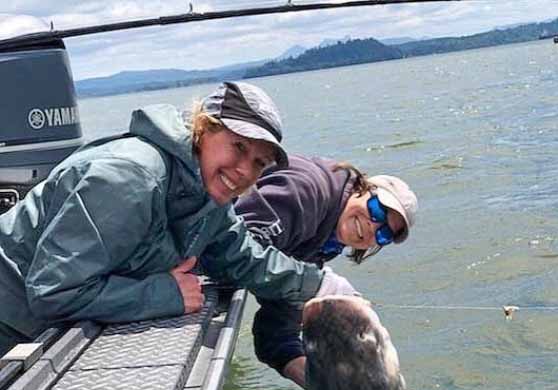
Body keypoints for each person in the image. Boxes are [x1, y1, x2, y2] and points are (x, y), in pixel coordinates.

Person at [0, 81, 355, 355]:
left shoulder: (210, 196)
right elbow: (53, 291)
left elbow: (244, 258)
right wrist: (163, 293)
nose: (244, 170)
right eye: (239, 147)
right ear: (203, 128)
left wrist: (320, 284)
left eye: (260, 163)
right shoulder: (130, 177)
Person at [234, 154, 418, 388]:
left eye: (384, 234)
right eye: (377, 211)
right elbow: (231, 248)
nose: (373, 227)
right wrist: (317, 285)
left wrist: (319, 386)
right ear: (363, 187)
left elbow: (276, 332)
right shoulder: (305, 192)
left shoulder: (323, 243)